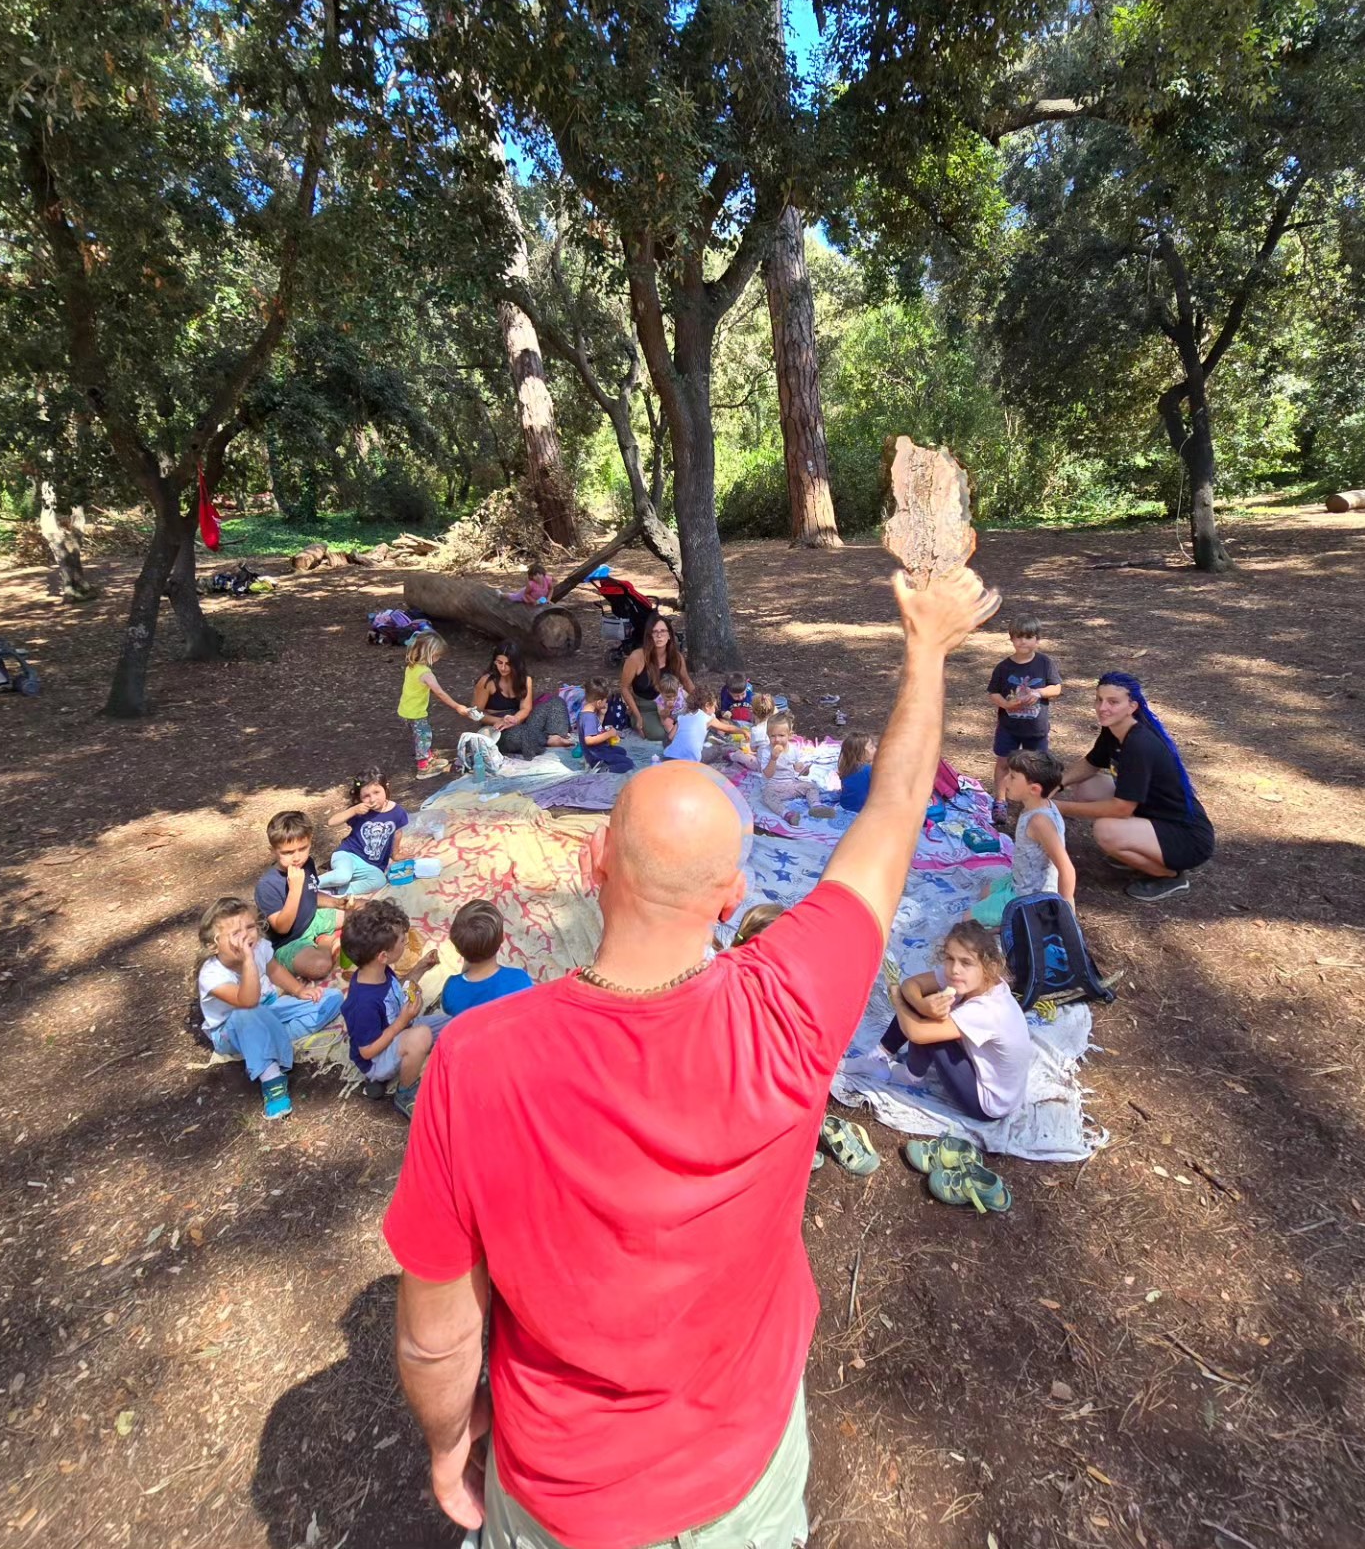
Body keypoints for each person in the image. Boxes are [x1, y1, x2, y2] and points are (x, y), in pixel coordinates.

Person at [384, 560, 989, 1548]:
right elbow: (892, 815)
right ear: (729, 900)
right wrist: (927, 647)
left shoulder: (474, 1060)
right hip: (743, 1479)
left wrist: (450, 1446)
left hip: (559, 1494)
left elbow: (436, 1333)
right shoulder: (792, 1005)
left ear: (590, 861)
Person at [1056, 671, 1216, 902]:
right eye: (1099, 700)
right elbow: (1092, 763)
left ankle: (1169, 875)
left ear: (1132, 706)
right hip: (1150, 815)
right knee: (1087, 786)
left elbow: (1121, 809)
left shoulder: (1139, 744)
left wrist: (1057, 806)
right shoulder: (1114, 729)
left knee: (1105, 831)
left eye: (1113, 702)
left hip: (1187, 838)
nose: (1103, 708)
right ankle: (1135, 848)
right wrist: (1057, 784)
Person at [195, 897, 343, 1120]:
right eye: (235, 933)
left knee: (332, 998)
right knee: (248, 1014)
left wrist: (298, 990)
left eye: (250, 927)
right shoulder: (211, 974)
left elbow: (273, 970)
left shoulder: (260, 947)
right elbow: (247, 1001)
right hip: (232, 1028)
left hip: (271, 1008)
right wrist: (248, 962)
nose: (246, 936)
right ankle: (272, 1080)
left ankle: (275, 1038)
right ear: (213, 945)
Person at [872, 922, 1033, 1121]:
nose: (955, 969)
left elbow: (917, 1034)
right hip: (993, 1081)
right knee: (924, 1002)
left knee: (928, 1022)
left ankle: (911, 1077)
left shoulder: (988, 1010)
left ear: (989, 966)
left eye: (966, 962)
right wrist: (922, 1004)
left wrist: (898, 1000)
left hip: (988, 1104)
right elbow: (912, 984)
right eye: (949, 958)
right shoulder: (970, 979)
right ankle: (879, 1055)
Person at [340, 899, 452, 1119]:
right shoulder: (363, 1002)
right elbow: (367, 1050)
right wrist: (401, 1022)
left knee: (453, 1022)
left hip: (399, 1030)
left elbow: (396, 988)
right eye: (402, 941)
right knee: (421, 1036)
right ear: (383, 955)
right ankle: (405, 1091)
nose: (406, 944)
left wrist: (420, 968)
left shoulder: (380, 971)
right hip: (376, 1059)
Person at [969, 747, 1076, 926]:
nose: (1004, 780)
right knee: (985, 893)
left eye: (1012, 777)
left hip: (1029, 898)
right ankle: (1008, 922)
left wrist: (1066, 914)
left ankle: (1018, 924)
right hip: (1019, 881)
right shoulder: (1038, 805)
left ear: (1034, 789)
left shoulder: (1040, 821)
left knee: (967, 922)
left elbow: (1067, 869)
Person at [986, 616, 1062, 824]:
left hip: (1035, 728)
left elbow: (1056, 688)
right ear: (1011, 639)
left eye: (1028, 637)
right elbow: (993, 692)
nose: (1023, 642)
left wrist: (1038, 693)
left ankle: (1033, 802)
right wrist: (1006, 704)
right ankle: (1000, 801)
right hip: (1009, 726)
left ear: (1037, 640)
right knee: (1004, 762)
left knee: (1036, 765)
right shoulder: (1003, 667)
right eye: (1018, 637)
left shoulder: (1045, 664)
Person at [255, 811, 344, 981]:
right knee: (320, 966)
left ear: (310, 841)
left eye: (303, 849)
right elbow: (282, 927)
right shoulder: (267, 886)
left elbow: (311, 894)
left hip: (312, 919)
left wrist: (337, 902)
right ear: (273, 851)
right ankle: (325, 942)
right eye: (288, 852)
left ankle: (322, 934)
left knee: (365, 908)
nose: (297, 858)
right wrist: (294, 889)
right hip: (290, 941)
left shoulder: (307, 863)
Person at [473, 642, 575, 760]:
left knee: (555, 703)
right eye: (499, 663)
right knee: (520, 735)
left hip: (519, 720)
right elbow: (476, 713)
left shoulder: (525, 680)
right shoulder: (487, 682)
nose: (503, 668)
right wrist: (501, 720)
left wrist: (515, 719)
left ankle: (549, 737)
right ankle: (548, 739)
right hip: (498, 728)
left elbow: (525, 709)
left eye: (508, 664)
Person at [318, 769, 410, 896]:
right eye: (366, 796)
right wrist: (353, 810)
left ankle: (335, 891)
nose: (372, 799)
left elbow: (397, 833)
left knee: (380, 881)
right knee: (343, 876)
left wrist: (395, 854)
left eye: (376, 792)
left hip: (370, 866)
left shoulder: (397, 812)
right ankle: (310, 885)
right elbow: (331, 822)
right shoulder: (360, 811)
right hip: (348, 855)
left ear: (386, 788)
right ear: (359, 798)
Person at [439, 900, 535, 1020]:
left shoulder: (451, 988)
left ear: (457, 948)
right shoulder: (519, 979)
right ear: (502, 939)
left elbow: (450, 1010)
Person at [400, 633, 476, 778]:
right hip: (416, 713)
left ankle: (428, 757)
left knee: (419, 736)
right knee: (423, 736)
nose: (438, 659)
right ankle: (423, 767)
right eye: (437, 655)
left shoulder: (411, 667)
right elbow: (440, 693)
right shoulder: (426, 674)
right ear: (428, 654)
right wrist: (457, 706)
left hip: (405, 710)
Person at [620, 612, 694, 742]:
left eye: (663, 631)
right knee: (660, 735)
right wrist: (637, 717)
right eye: (655, 632)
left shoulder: (676, 658)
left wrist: (701, 700)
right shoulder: (636, 658)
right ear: (649, 636)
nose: (659, 635)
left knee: (692, 726)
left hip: (673, 704)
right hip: (645, 707)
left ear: (670, 635)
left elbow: (686, 681)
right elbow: (624, 688)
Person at [663, 685, 745, 763]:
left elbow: (670, 737)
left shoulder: (682, 717)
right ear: (707, 706)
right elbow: (728, 728)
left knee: (668, 742)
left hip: (669, 757)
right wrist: (744, 732)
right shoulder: (708, 718)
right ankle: (738, 756)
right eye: (714, 706)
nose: (715, 709)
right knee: (719, 749)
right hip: (691, 760)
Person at [762, 712, 820, 811]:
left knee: (812, 787)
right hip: (774, 787)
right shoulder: (766, 751)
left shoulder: (793, 749)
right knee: (766, 796)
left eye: (781, 735)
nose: (777, 739)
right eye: (773, 736)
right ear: (768, 736)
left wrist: (804, 770)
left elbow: (799, 769)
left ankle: (816, 806)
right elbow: (767, 775)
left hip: (791, 785)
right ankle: (786, 813)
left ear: (789, 735)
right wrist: (773, 759)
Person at [576, 677, 635, 772]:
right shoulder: (589, 717)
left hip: (597, 750)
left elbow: (595, 729)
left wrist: (602, 715)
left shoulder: (586, 713)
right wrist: (609, 734)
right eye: (605, 700)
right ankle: (603, 769)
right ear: (599, 702)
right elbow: (589, 740)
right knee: (628, 763)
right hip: (597, 754)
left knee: (622, 751)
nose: (606, 702)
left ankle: (594, 762)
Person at [835, 732, 876, 814]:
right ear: (860, 753)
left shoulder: (846, 767)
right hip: (863, 809)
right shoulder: (869, 770)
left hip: (845, 805)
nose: (875, 749)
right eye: (871, 747)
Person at [654, 670, 684, 741]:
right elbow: (662, 715)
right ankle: (675, 737)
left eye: (675, 696)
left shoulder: (681, 691)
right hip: (669, 716)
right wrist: (667, 708)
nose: (672, 698)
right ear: (660, 691)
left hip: (682, 713)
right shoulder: (659, 700)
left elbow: (689, 699)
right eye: (668, 696)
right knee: (666, 723)